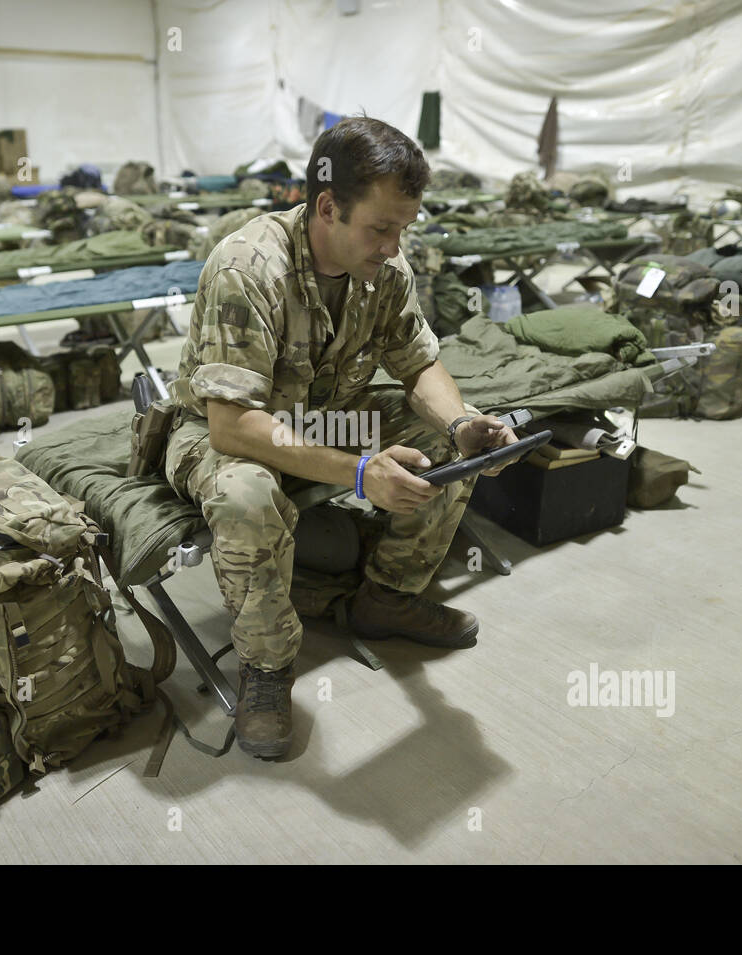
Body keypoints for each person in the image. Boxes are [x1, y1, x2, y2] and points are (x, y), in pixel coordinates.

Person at [165, 117, 518, 758]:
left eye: (402, 228)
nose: (393, 244)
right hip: (231, 429)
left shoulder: (385, 266)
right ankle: (267, 671)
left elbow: (416, 363)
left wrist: (462, 425)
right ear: (326, 206)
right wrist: (359, 473)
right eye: (381, 228)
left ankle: (387, 599)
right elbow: (230, 422)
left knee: (448, 440)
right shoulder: (249, 267)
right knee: (245, 497)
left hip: (326, 415)